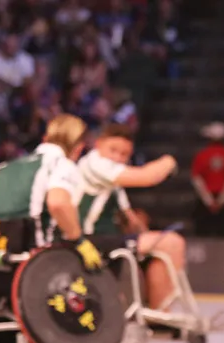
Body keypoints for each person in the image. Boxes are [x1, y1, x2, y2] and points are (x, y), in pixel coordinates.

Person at [0, 114, 104, 271]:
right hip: (42, 265)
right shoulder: (63, 165)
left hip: (0, 264)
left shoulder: (2, 169)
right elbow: (58, 203)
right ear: (79, 148)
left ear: (45, 139)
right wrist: (79, 241)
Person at [76, 123, 184, 311]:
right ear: (98, 145)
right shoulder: (95, 163)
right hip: (89, 240)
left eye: (124, 154)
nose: (118, 158)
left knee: (161, 246)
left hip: (107, 238)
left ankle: (157, 312)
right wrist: (169, 161)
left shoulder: (112, 179)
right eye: (113, 150)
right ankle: (159, 315)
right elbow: (148, 176)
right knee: (172, 243)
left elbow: (130, 220)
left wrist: (146, 234)